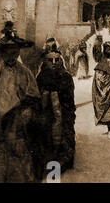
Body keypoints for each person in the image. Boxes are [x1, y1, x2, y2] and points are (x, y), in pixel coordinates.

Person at [0, 22, 46, 182]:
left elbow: (33, 95)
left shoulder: (24, 72)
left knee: (20, 160)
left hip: (18, 123)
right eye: (7, 51)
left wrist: (26, 109)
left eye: (14, 51)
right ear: (2, 52)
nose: (11, 54)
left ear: (18, 51)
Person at [36, 38, 76, 173]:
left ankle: (63, 164)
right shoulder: (41, 77)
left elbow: (70, 98)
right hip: (48, 113)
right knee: (47, 138)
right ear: (45, 62)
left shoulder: (66, 77)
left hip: (63, 112)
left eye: (57, 60)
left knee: (65, 137)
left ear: (61, 61)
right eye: (50, 60)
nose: (54, 63)